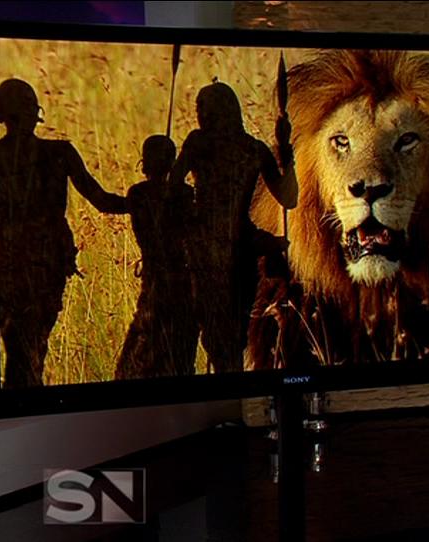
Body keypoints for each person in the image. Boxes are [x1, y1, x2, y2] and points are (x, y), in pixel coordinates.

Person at [0, 78, 128, 388]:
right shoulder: (59, 152)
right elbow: (102, 200)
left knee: (22, 352)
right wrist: (144, 200)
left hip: (13, 264)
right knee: (29, 352)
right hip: (41, 264)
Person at [170, 80, 297, 373]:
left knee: (215, 329)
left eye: (202, 107)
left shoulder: (199, 142)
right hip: (244, 246)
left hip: (206, 246)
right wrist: (285, 156)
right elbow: (288, 197)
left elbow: (173, 187)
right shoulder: (255, 149)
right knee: (235, 330)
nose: (199, 114)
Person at [115, 135, 199, 379]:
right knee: (179, 354)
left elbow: (107, 202)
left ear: (144, 163)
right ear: (172, 163)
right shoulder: (186, 194)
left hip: (154, 284)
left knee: (138, 356)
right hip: (183, 283)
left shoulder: (138, 194)